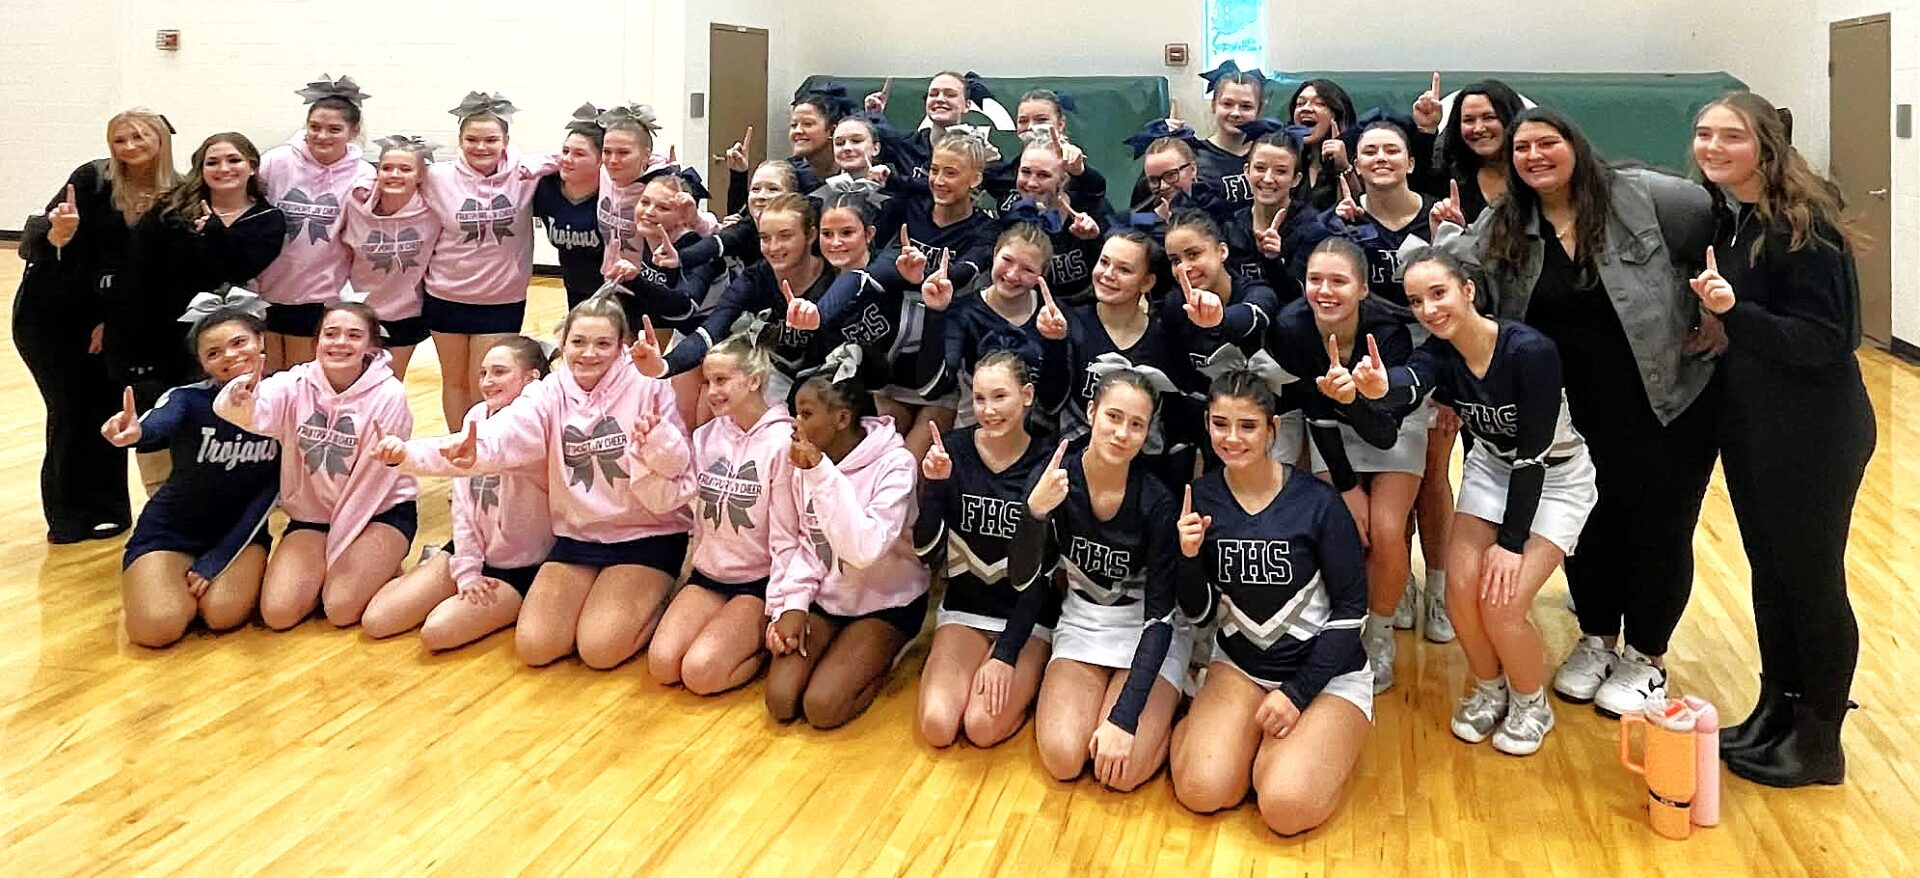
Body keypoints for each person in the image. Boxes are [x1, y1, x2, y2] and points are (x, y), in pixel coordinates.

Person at [1433, 107, 1719, 720]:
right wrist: (1440, 238)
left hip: (1662, 401)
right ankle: (1597, 638)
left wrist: (1716, 313)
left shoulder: (1646, 198)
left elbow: (1716, 236)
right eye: (1522, 149)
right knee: (1586, 525)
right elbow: (1451, 277)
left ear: (1575, 144)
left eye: (1547, 143)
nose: (1534, 156)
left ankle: (1646, 655)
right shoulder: (1505, 222)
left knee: (1658, 528)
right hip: (1570, 410)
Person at [1691, 92, 1875, 787]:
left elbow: (1830, 338)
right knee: (1771, 575)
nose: (1712, 147)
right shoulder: (1735, 216)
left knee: (1812, 581)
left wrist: (1735, 313)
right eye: (1704, 134)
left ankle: (1820, 740)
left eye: (1731, 136)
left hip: (1815, 431)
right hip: (1755, 423)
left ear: (1767, 145)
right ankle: (1778, 710)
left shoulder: (1806, 223)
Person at [1360, 248, 1596, 757]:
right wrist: (1381, 387)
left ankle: (1531, 703)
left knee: (1502, 603)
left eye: (1438, 293)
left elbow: (1532, 457)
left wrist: (1510, 544)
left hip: (1554, 476)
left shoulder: (1530, 351)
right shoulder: (1442, 352)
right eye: (1416, 301)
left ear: (1467, 290)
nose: (1428, 309)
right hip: (1492, 469)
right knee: (1460, 591)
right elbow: (1412, 381)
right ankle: (1491, 688)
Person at [396, 294, 692, 668]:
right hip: (578, 537)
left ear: (621, 347)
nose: (589, 353)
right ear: (563, 344)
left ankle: (663, 594)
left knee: (599, 650)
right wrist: (410, 455)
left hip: (646, 534)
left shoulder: (647, 384)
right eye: (578, 342)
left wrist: (657, 442)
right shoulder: (549, 392)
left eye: (603, 344)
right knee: (536, 647)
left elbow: (680, 465)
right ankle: (602, 600)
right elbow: (505, 432)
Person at [1168, 370, 1371, 834]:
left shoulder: (1318, 502)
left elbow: (1351, 611)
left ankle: (1322, 744)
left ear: (1272, 429)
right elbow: (1200, 613)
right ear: (1206, 423)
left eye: (1248, 426)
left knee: (1284, 806)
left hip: (1325, 677)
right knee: (1202, 790)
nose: (1232, 438)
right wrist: (1188, 560)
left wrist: (1297, 694)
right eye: (1220, 424)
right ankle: (1216, 731)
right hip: (1241, 667)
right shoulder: (1201, 498)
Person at [1012, 370, 1187, 791]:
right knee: (1063, 758)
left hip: (1147, 630)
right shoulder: (1054, 479)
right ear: (1091, 412)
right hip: (1084, 622)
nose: (1122, 433)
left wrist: (1124, 719)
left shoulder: (1158, 501)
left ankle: (1183, 714)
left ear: (1147, 433)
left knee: (1120, 775)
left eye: (1137, 424)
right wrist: (1034, 514)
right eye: (1113, 417)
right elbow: (1021, 578)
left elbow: (1160, 618)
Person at [18, 107, 179, 543]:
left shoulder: (177, 192)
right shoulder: (91, 179)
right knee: (71, 410)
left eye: (139, 137)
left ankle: (108, 509)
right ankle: (68, 517)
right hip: (54, 316)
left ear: (161, 140)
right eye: (119, 140)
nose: (129, 147)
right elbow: (37, 240)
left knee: (108, 407)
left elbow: (154, 272)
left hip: (116, 318)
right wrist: (59, 235)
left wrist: (115, 321)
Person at [213, 302, 418, 630]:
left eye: (354, 336)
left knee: (340, 608)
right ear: (317, 341)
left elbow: (371, 483)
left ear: (371, 346)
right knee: (278, 614)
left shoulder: (390, 394)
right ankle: (362, 571)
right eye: (331, 334)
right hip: (313, 516)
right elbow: (252, 414)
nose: (340, 343)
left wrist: (336, 553)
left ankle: (393, 565)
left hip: (377, 512)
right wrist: (241, 397)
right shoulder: (295, 382)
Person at [106, 295, 280, 647]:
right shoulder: (187, 398)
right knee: (157, 629)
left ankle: (184, 587)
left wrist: (218, 559)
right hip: (170, 530)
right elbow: (158, 423)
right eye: (213, 353)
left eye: (239, 342)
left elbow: (269, 495)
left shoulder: (288, 400)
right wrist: (136, 432)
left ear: (260, 341)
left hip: (240, 535)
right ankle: (157, 584)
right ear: (202, 362)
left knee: (222, 615)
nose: (229, 356)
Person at [118, 132, 287, 494]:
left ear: (251, 167)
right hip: (163, 334)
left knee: (215, 416)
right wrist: (128, 337)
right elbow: (137, 272)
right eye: (213, 162)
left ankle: (223, 495)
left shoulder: (268, 219)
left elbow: (239, 266)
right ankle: (162, 497)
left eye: (234, 160)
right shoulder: (170, 211)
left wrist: (213, 232)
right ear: (201, 168)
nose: (224, 168)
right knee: (162, 413)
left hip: (223, 340)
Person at [362, 336, 553, 650]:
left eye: (500, 372)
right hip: (472, 548)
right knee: (377, 620)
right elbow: (462, 503)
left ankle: (521, 604)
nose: (487, 382)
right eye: (483, 373)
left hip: (519, 565)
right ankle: (432, 574)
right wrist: (466, 569)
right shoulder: (476, 416)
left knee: (437, 632)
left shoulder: (534, 424)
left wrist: (406, 454)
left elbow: (476, 449)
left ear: (531, 378)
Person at [763, 371, 928, 729]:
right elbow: (802, 541)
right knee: (781, 700)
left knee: (823, 707)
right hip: (828, 597)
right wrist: (791, 604)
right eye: (795, 413)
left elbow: (864, 549)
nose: (795, 424)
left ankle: (887, 653)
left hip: (887, 602)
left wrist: (821, 473)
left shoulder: (896, 464)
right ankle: (839, 649)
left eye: (806, 414)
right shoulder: (804, 461)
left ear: (841, 418)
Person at [915, 352, 1059, 747]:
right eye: (979, 399)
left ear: (1026, 396)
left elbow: (1042, 576)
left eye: (1000, 397)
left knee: (981, 727)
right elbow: (926, 551)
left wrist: (1006, 654)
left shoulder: (1047, 463)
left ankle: (1032, 682)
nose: (988, 410)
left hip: (1026, 617)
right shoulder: (952, 450)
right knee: (937, 726)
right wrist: (935, 487)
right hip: (966, 608)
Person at [646, 332, 797, 695]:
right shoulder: (708, 435)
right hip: (709, 575)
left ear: (755, 380)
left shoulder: (783, 443)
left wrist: (782, 606)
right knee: (663, 665)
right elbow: (672, 496)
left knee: (701, 673)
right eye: (708, 381)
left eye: (722, 380)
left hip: (758, 583)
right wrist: (652, 451)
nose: (711, 391)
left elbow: (789, 536)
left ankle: (758, 648)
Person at [422, 92, 556, 429]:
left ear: (506, 141)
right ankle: (459, 448)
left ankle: (486, 449)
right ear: (460, 140)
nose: (481, 147)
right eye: (472, 139)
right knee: (454, 382)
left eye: (491, 140)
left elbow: (578, 157)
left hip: (501, 299)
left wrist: (658, 164)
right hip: (445, 294)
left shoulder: (525, 174)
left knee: (486, 385)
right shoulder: (437, 177)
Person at [255, 74, 372, 369]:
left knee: (302, 377)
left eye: (334, 129)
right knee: (266, 377)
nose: (322, 136)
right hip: (264, 288)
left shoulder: (363, 174)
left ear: (353, 131)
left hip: (318, 294)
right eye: (315, 127)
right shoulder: (276, 162)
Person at [342, 135, 439, 377]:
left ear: (420, 176)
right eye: (387, 168)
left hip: (407, 314)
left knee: (389, 381)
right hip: (359, 310)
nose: (395, 174)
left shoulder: (433, 211)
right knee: (352, 380)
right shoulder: (354, 204)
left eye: (405, 169)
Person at [532, 104, 607, 308]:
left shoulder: (615, 192)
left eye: (579, 154)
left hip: (619, 290)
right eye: (565, 151)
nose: (567, 159)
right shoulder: (546, 188)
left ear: (601, 160)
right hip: (575, 287)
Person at [1427, 80, 1525, 222]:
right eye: (1469, 120)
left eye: (1489, 117)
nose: (1478, 128)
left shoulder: (1535, 173)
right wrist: (1427, 130)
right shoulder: (1450, 175)